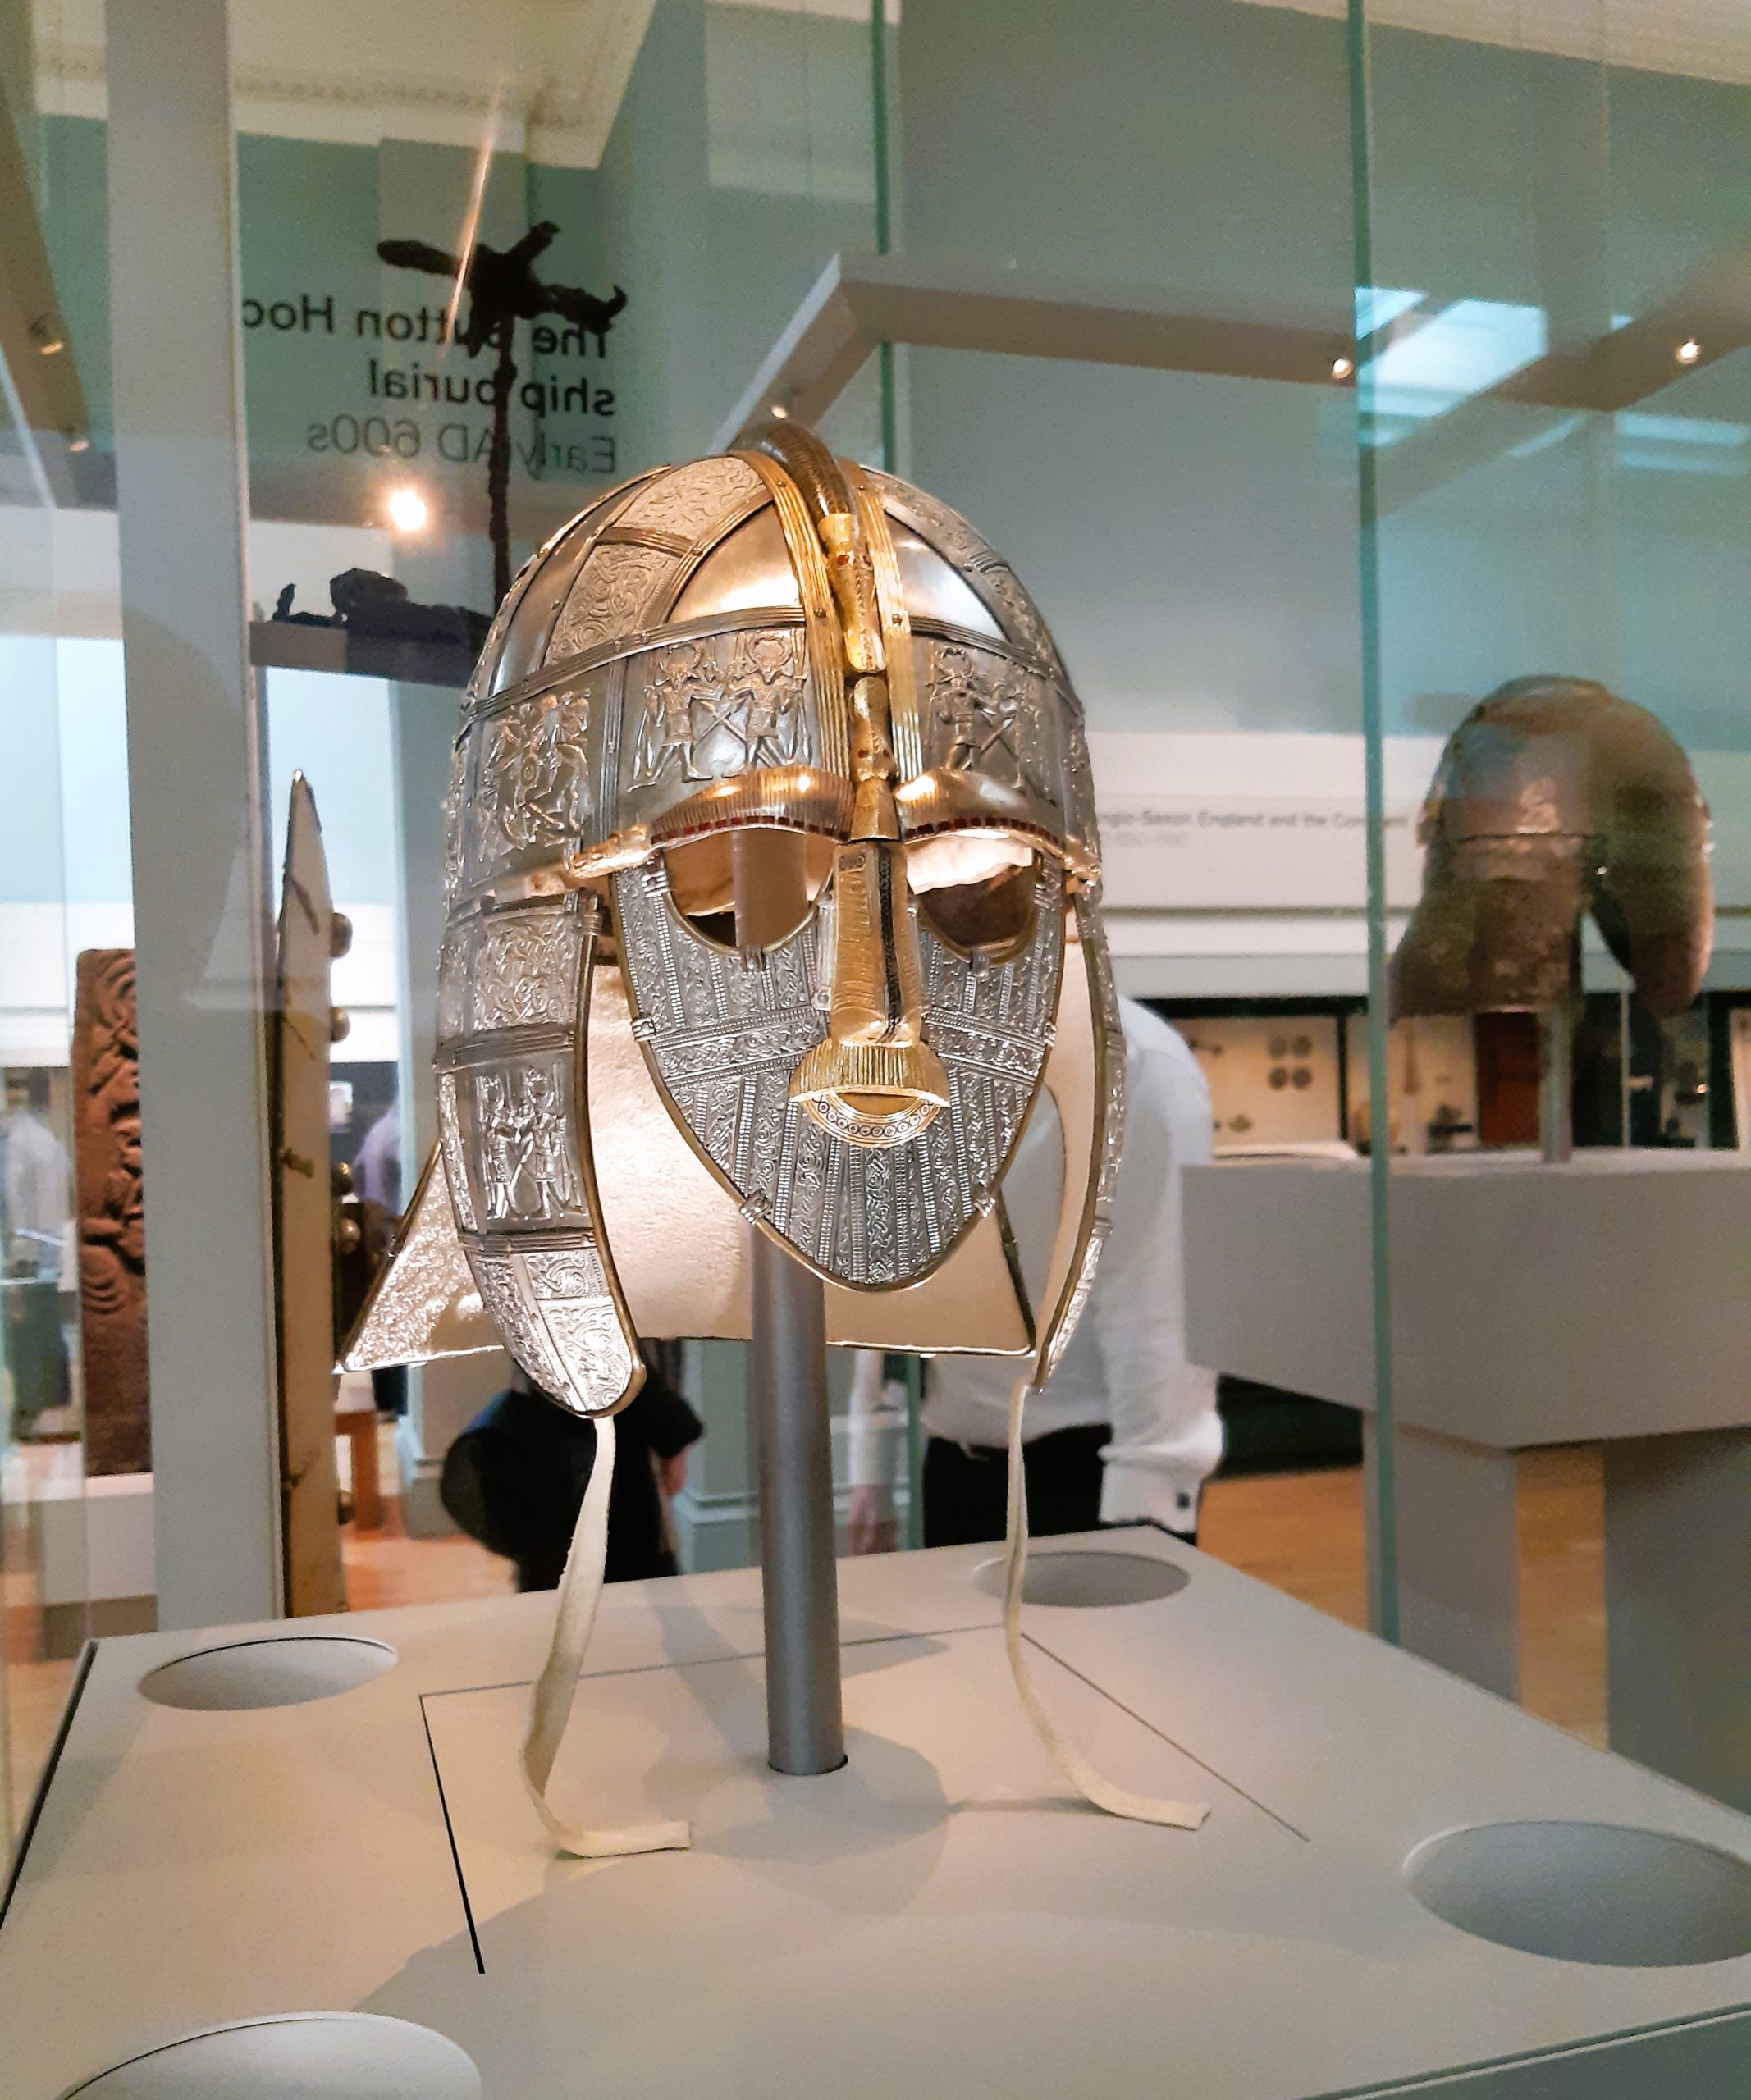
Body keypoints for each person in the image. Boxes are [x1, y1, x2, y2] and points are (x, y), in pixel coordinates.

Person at [846, 997, 1221, 1550]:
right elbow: (893, 1272)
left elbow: (1155, 1305)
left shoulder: (1130, 1060)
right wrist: (872, 1466)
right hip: (953, 1466)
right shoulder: (921, 1054)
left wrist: (1148, 1519)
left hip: (1084, 1476)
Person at [441, 1344, 702, 1590]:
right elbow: (605, 1345)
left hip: (565, 1448)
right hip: (603, 1471)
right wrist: (674, 1431)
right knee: (613, 1586)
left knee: (557, 1568)